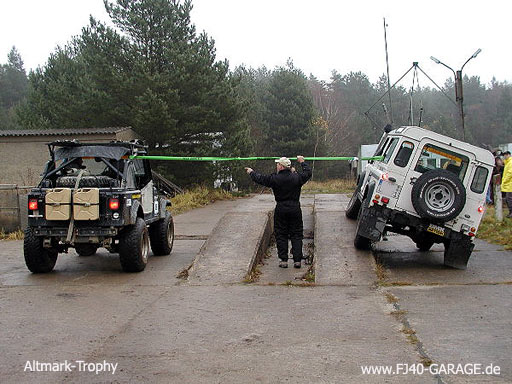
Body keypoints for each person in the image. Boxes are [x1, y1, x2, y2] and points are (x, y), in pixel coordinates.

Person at [245, 156, 312, 268]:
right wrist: (302, 162)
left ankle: (283, 260)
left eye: (278, 164)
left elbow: (260, 178)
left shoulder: (274, 178)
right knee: (296, 234)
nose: (276, 166)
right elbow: (308, 173)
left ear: (281, 166)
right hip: (295, 209)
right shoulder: (297, 177)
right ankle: (297, 260)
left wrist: (251, 172)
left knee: (281, 234)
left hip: (281, 209)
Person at [501, 151, 512, 218]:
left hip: (510, 184)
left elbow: (510, 173)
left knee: (509, 199)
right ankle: (510, 212)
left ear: (508, 155)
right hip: (508, 184)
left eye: (505, 155)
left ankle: (511, 212)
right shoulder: (507, 163)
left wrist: (504, 181)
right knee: (508, 199)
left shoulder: (510, 163)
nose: (504, 157)